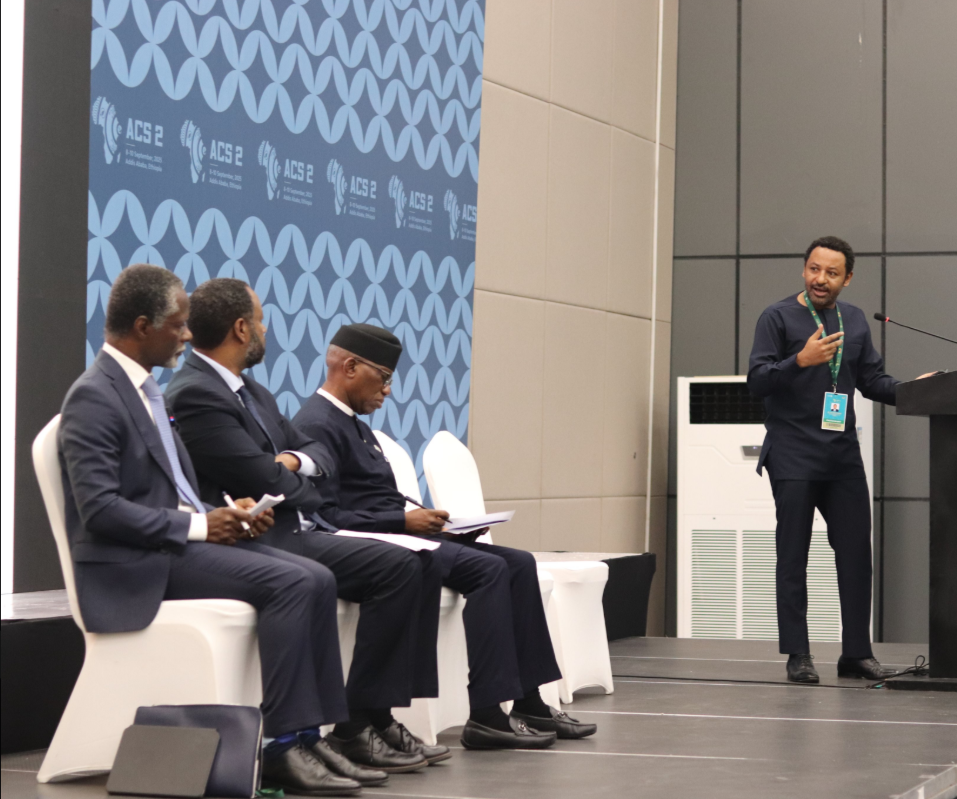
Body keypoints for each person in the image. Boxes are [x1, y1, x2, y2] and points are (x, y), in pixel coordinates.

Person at [59, 265, 366, 796]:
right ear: (142, 326)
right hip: (133, 567)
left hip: (169, 547)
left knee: (316, 577)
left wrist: (228, 511)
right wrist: (200, 524)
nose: (187, 335)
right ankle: (282, 745)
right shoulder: (95, 396)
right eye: (178, 325)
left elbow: (169, 490)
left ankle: (311, 736)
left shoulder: (143, 390)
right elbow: (101, 511)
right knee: (293, 583)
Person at [164, 279, 447, 773]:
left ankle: (370, 718)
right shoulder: (196, 393)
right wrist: (296, 474)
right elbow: (262, 477)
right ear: (241, 328)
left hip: (289, 528)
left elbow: (313, 457)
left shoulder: (253, 391)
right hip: (260, 535)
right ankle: (348, 726)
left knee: (411, 563)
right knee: (392, 567)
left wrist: (292, 463)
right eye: (261, 321)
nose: (265, 329)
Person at [292, 324, 593, 749]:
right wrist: (403, 522)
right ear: (351, 367)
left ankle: (530, 702)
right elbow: (325, 518)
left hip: (397, 534)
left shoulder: (353, 424)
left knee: (519, 563)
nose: (388, 390)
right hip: (379, 545)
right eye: (384, 377)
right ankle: (487, 714)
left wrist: (445, 523)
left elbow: (376, 498)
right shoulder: (317, 424)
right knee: (489, 570)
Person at [747, 236, 936, 684]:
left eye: (831, 273)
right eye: (814, 269)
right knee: (793, 556)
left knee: (855, 555)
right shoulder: (776, 317)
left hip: (841, 455)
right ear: (804, 269)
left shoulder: (853, 320)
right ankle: (798, 654)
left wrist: (915, 391)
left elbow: (871, 380)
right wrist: (800, 360)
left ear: (846, 279)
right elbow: (757, 381)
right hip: (793, 453)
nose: (820, 279)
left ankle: (856, 654)